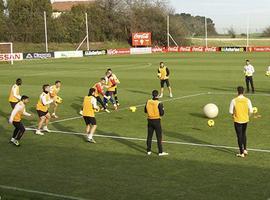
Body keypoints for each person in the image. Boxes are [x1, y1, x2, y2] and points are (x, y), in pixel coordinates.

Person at [229, 86, 253, 158]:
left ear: (237, 92)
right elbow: (251, 111)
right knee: (244, 134)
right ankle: (245, 149)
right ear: (244, 92)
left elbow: (230, 111)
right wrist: (248, 116)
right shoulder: (247, 100)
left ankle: (241, 153)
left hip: (237, 120)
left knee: (239, 136)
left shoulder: (234, 100)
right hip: (245, 120)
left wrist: (234, 115)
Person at [144, 90, 168, 156]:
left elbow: (145, 111)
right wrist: (163, 109)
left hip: (149, 120)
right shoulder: (159, 103)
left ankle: (148, 150)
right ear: (157, 95)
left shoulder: (148, 101)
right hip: (157, 121)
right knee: (159, 137)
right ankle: (160, 152)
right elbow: (162, 113)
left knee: (149, 136)